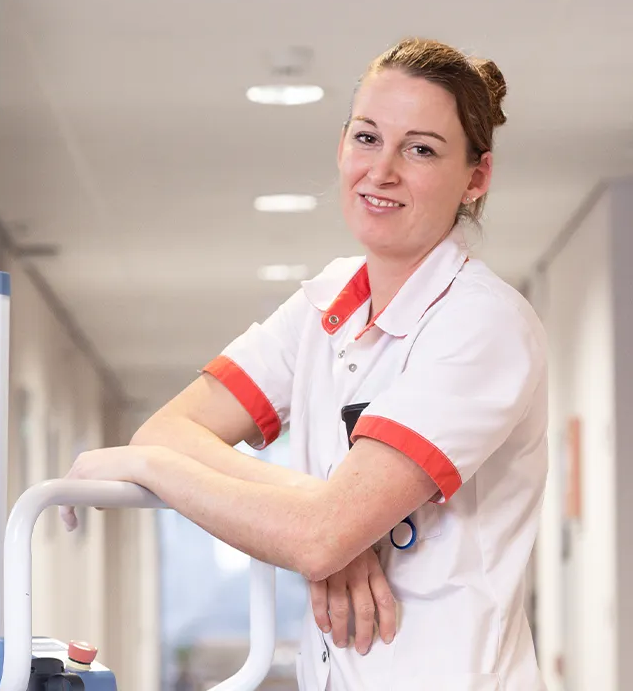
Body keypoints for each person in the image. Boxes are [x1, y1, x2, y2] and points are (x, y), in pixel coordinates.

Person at [60, 36, 549, 690]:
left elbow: (316, 537)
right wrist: (332, 516)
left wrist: (153, 471)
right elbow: (173, 430)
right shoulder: (329, 302)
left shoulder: (482, 324)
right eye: (367, 137)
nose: (382, 171)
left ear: (476, 176)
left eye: (422, 149)